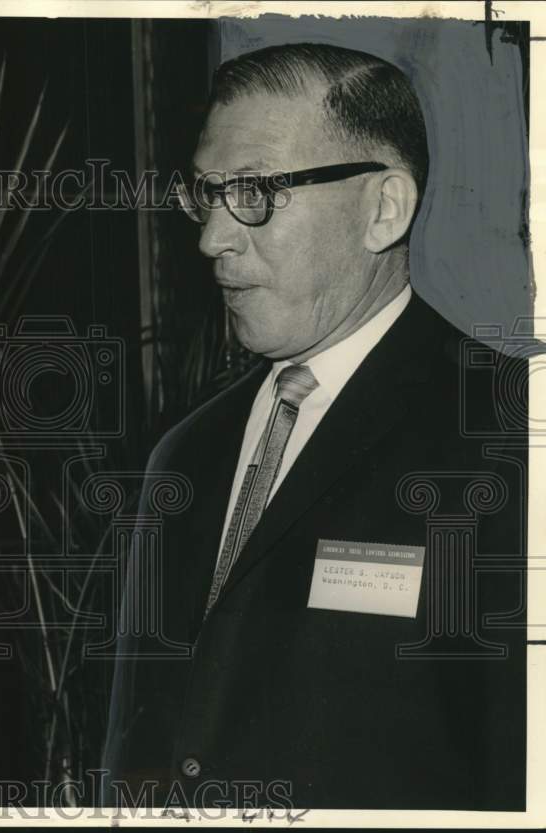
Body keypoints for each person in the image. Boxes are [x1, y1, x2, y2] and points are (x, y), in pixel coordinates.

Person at [102, 43, 527, 811]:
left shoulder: (507, 432)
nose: (212, 237)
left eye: (255, 191)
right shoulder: (184, 455)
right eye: (206, 194)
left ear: (383, 209)